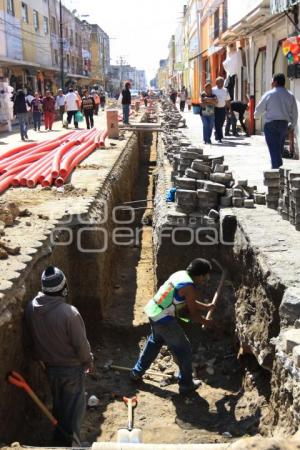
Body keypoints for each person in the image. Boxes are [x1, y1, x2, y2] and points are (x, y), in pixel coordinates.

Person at [25, 266, 93, 446]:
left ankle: (59, 440)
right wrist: (88, 361)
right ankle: (73, 443)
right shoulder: (69, 313)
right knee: (74, 410)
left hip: (49, 369)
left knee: (60, 406)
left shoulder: (31, 307)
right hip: (71, 370)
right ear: (64, 288)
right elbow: (81, 345)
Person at [131, 258, 215, 394]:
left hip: (153, 311)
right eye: (206, 276)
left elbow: (189, 301)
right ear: (200, 275)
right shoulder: (189, 287)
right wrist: (207, 322)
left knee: (155, 341)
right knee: (185, 349)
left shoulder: (180, 275)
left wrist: (206, 307)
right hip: (164, 319)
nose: (206, 279)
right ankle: (186, 385)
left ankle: (136, 372)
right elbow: (193, 314)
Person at [254, 73, 298, 169]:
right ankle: (278, 167)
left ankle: (275, 170)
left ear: (275, 82)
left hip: (271, 125)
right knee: (278, 148)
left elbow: (259, 109)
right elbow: (295, 113)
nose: (271, 82)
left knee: (273, 149)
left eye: (272, 80)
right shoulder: (290, 95)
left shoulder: (269, 94)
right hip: (284, 125)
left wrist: (256, 116)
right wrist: (292, 125)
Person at [212, 77, 231, 143]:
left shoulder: (225, 90)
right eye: (220, 82)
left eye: (222, 82)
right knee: (217, 123)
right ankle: (219, 137)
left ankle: (217, 133)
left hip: (223, 109)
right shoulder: (213, 90)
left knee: (221, 123)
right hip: (215, 109)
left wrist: (229, 111)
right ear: (216, 83)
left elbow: (228, 101)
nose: (222, 83)